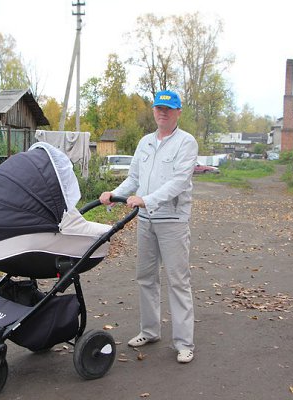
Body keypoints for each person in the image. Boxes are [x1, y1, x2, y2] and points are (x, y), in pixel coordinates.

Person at [99, 90, 198, 363]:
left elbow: (179, 182)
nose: (162, 113)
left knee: (178, 281)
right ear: (154, 111)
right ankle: (150, 331)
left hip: (172, 221)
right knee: (146, 277)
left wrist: (147, 199)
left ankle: (184, 343)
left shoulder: (186, 142)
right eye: (159, 108)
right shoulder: (145, 142)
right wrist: (114, 195)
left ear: (178, 112)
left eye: (168, 109)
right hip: (145, 221)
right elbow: (134, 178)